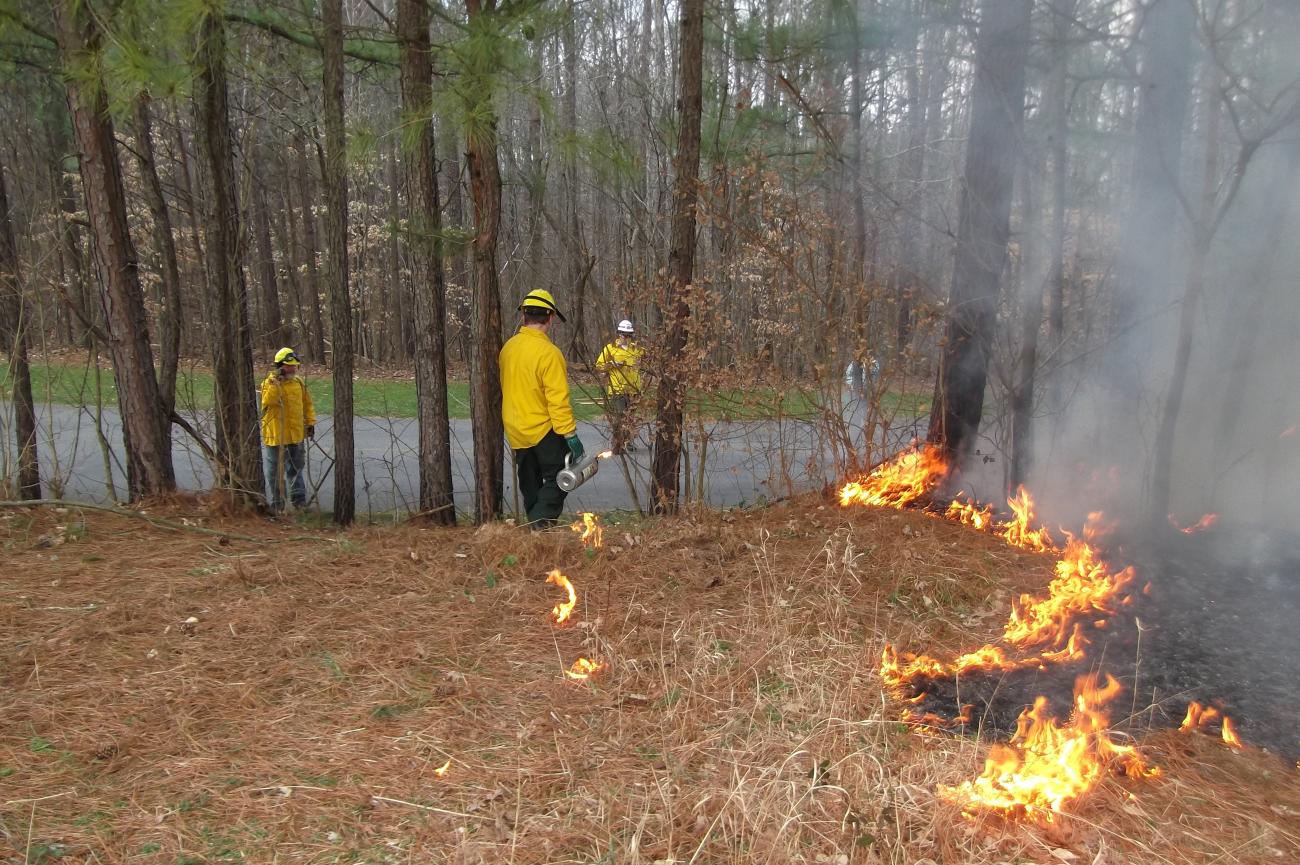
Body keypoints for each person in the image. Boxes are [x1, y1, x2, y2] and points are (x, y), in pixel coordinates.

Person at [500, 289, 584, 528]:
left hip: (515, 429)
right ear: (550, 317)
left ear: (524, 316)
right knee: (562, 478)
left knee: (531, 485)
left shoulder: (508, 349)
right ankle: (537, 526)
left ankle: (536, 536)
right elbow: (557, 402)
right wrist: (570, 436)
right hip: (543, 429)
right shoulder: (549, 354)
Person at [260, 347, 316, 513]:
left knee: (296, 469)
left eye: (294, 366)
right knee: (274, 472)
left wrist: (310, 423)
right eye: (288, 366)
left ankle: (299, 503)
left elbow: (308, 405)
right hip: (275, 436)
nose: (292, 369)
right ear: (279, 366)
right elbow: (269, 401)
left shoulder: (298, 383)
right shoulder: (268, 384)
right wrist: (276, 382)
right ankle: (277, 504)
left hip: (296, 435)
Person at [595, 318, 644, 454]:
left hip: (634, 389)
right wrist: (613, 364)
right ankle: (617, 444)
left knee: (630, 418)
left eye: (629, 335)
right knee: (620, 417)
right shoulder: (610, 349)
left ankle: (628, 442)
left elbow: (648, 357)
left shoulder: (636, 349)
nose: (626, 337)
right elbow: (598, 366)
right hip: (618, 390)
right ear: (619, 334)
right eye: (623, 334)